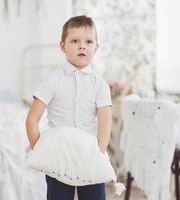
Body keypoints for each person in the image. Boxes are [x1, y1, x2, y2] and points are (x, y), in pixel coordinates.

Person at [25, 15, 112, 200]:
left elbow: (105, 125)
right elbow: (32, 118)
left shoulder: (100, 85)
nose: (82, 46)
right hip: (59, 157)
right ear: (62, 46)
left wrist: (99, 152)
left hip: (89, 156)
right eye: (74, 41)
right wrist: (40, 148)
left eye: (89, 41)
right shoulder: (53, 80)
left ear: (96, 47)